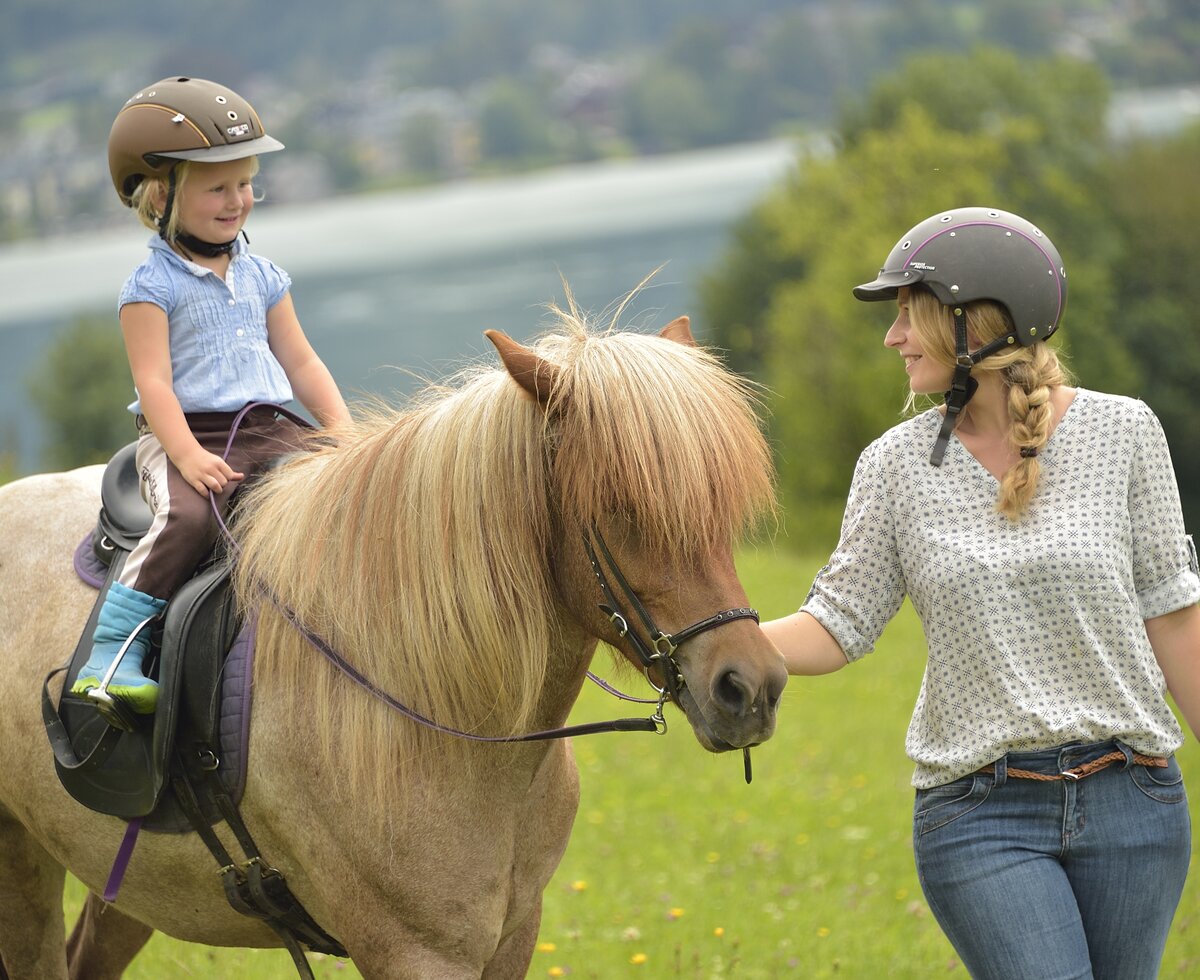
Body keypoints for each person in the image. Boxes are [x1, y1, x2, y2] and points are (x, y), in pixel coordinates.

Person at [763, 206, 1200, 979]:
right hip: (982, 813)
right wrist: (715, 638)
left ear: (982, 323)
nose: (894, 338)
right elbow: (838, 624)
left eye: (911, 314)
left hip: (1136, 802)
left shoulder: (1124, 432)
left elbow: (1173, 615)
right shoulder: (894, 467)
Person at [71, 76, 351, 714]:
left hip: (269, 427)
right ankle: (111, 658)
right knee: (189, 518)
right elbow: (154, 384)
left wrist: (341, 427)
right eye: (219, 187)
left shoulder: (262, 274)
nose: (239, 200)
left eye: (246, 183)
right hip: (184, 434)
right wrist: (189, 457)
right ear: (162, 195)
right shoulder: (150, 287)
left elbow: (300, 359)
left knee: (339, 496)